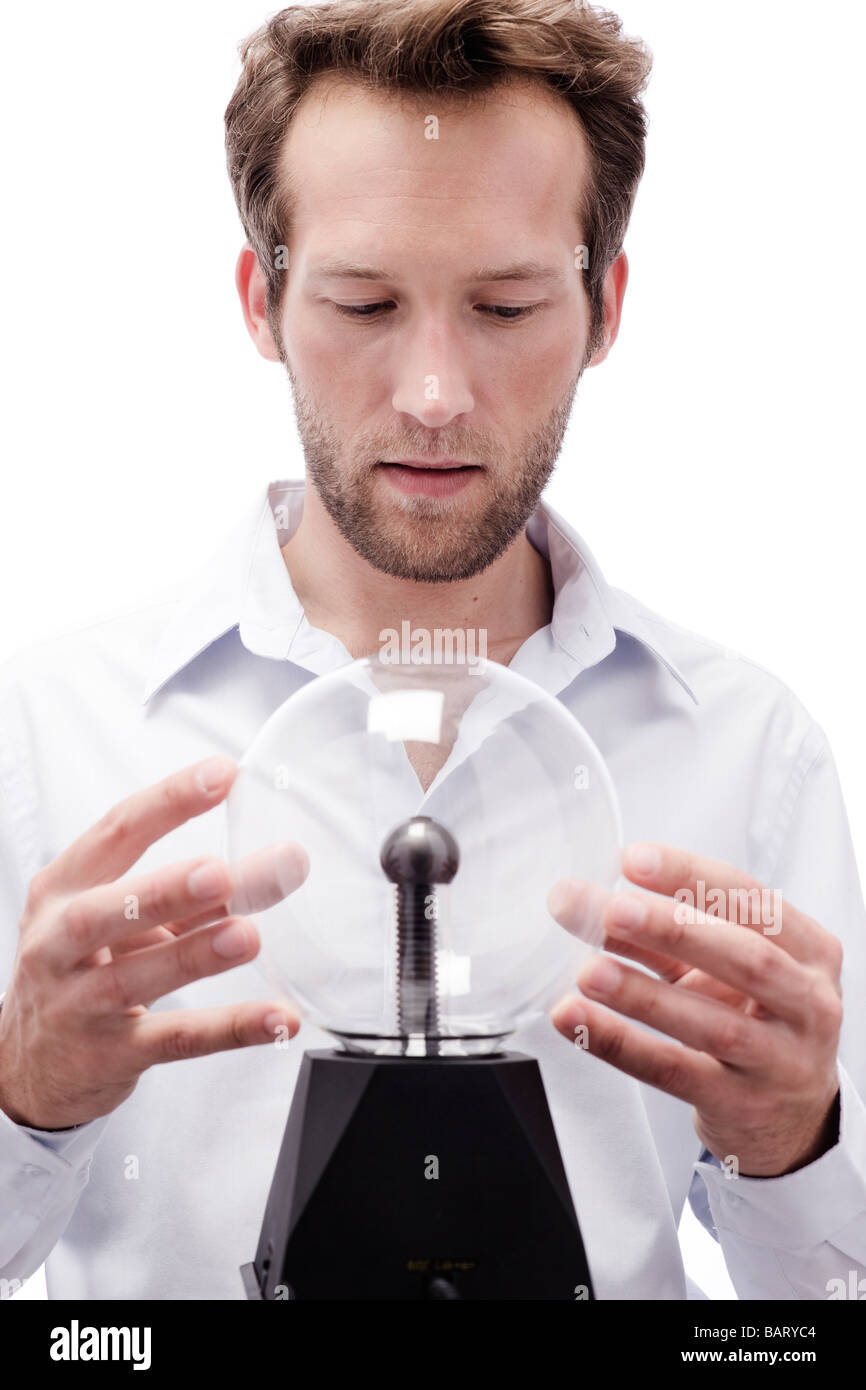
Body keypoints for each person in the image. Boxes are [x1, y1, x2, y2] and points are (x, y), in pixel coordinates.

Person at [1, 0, 864, 1302]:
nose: (432, 393)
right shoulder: (49, 738)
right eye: (363, 300)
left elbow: (822, 1310)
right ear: (263, 298)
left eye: (506, 305)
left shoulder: (746, 751)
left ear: (605, 304)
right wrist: (29, 1101)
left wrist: (791, 1142)